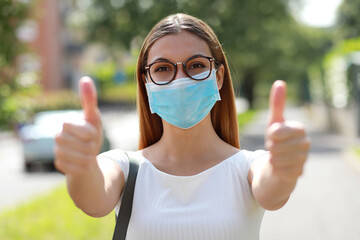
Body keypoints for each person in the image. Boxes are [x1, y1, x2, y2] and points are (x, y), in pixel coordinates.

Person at [54, 13, 310, 239]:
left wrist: (284, 169)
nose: (180, 79)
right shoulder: (125, 167)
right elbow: (93, 200)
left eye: (196, 65)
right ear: (146, 81)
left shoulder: (249, 167)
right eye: (163, 68)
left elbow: (272, 191)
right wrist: (82, 166)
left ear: (218, 76)